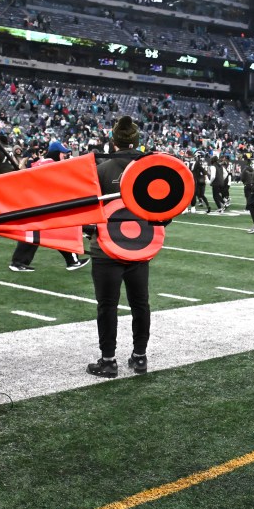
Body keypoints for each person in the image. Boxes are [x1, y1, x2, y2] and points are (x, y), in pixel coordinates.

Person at [85, 116, 152, 379]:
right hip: (140, 246)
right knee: (140, 304)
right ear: (137, 141)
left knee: (107, 305)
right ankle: (140, 357)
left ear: (113, 142)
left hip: (105, 247)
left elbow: (89, 210)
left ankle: (108, 360)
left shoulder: (100, 170)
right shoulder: (148, 167)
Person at [8, 139, 89, 272]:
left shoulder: (43, 162)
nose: (64, 156)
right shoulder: (50, 164)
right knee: (58, 231)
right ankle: (18, 262)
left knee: (47, 232)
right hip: (41, 204)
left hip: (37, 203)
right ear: (57, 153)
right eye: (63, 154)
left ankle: (71, 261)